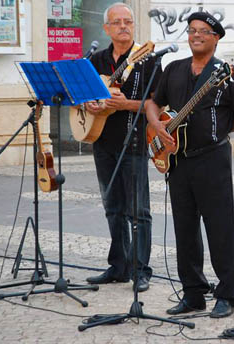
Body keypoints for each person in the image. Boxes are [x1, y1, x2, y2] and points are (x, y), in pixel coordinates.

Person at [145, 12, 234, 318]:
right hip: (177, 159)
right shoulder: (174, 69)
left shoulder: (226, 73)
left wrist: (220, 129)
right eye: (192, 30)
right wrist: (157, 125)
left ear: (216, 37)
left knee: (220, 227)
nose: (195, 35)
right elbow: (155, 103)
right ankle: (193, 293)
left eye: (203, 31)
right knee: (185, 228)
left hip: (212, 158)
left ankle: (227, 293)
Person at [84, 2, 162, 293]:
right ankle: (119, 266)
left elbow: (158, 102)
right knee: (112, 207)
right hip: (102, 140)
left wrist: (126, 104)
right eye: (116, 22)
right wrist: (88, 103)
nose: (123, 26)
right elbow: (84, 95)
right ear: (106, 28)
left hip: (134, 140)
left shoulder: (148, 59)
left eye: (127, 21)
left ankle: (142, 270)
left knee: (138, 209)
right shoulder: (97, 60)